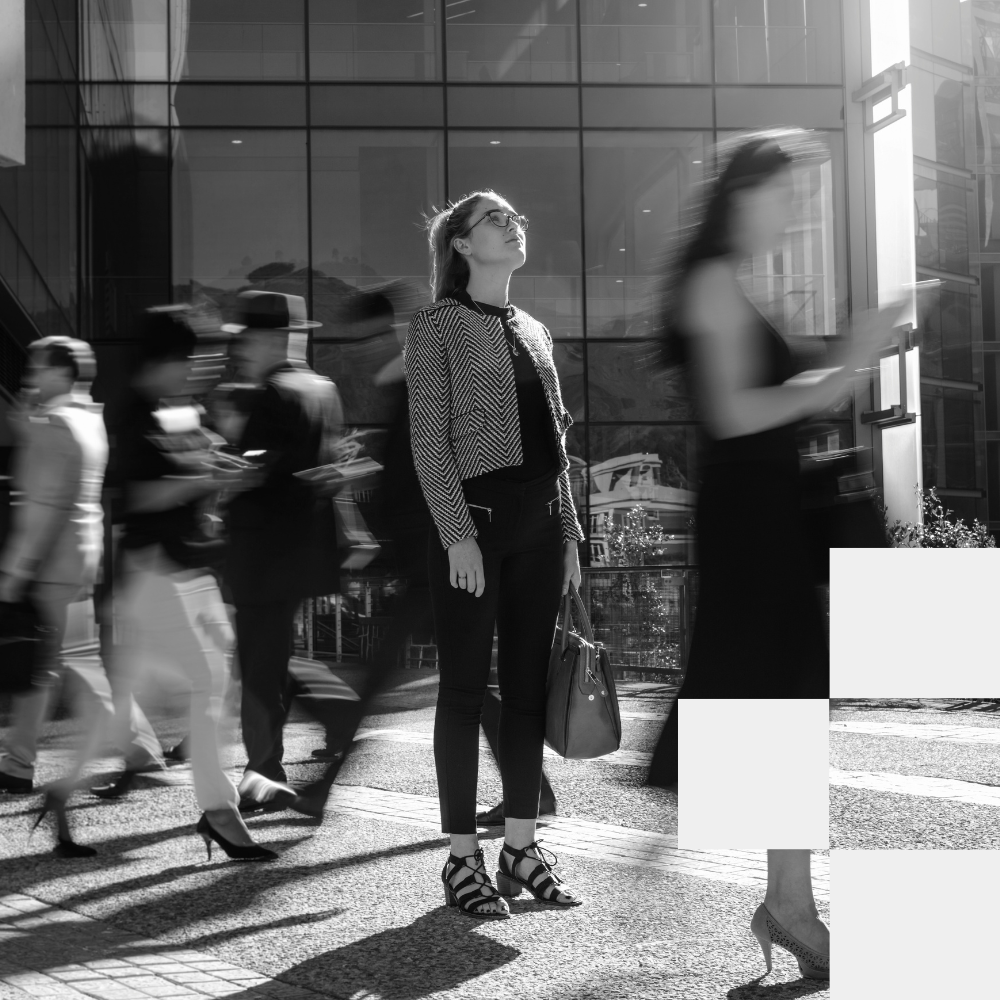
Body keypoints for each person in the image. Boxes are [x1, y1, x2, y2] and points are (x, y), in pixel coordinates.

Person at [647, 129, 898, 974]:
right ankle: (789, 903)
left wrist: (845, 357)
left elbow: (774, 398)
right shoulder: (712, 282)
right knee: (770, 707)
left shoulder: (735, 283)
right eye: (788, 197)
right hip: (750, 528)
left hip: (767, 523)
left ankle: (789, 901)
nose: (796, 216)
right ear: (744, 194)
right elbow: (733, 412)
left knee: (787, 707)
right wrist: (847, 364)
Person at [405, 190, 584, 919]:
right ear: (462, 245)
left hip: (542, 528)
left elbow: (558, 448)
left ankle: (519, 845)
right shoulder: (437, 325)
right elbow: (428, 439)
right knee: (463, 691)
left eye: (517, 216)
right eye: (497, 220)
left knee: (528, 694)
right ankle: (460, 859)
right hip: (475, 528)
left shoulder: (534, 330)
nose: (515, 225)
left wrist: (570, 535)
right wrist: (455, 533)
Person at [112, 306, 275, 861]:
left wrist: (226, 474)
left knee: (213, 690)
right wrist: (206, 478)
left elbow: (200, 467)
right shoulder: (131, 414)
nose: (197, 368)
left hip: (197, 567)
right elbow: (139, 496)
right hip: (155, 570)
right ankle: (219, 810)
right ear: (161, 359)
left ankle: (68, 793)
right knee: (207, 687)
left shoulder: (179, 407)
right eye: (189, 358)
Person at [223, 290, 347, 813]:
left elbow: (255, 473)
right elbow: (327, 468)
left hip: (261, 555)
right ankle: (338, 718)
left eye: (248, 339)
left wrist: (226, 476)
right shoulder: (323, 388)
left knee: (257, 669)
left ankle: (264, 771)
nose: (242, 350)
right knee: (273, 661)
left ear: (270, 338)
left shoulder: (270, 395)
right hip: (303, 553)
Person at [0, 338, 113, 855]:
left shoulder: (53, 426)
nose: (29, 376)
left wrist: (13, 572)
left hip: (46, 567)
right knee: (64, 665)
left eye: (36, 367)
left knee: (35, 668)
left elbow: (42, 504)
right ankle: (20, 760)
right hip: (81, 561)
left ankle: (20, 764)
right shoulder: (89, 418)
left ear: (60, 373)